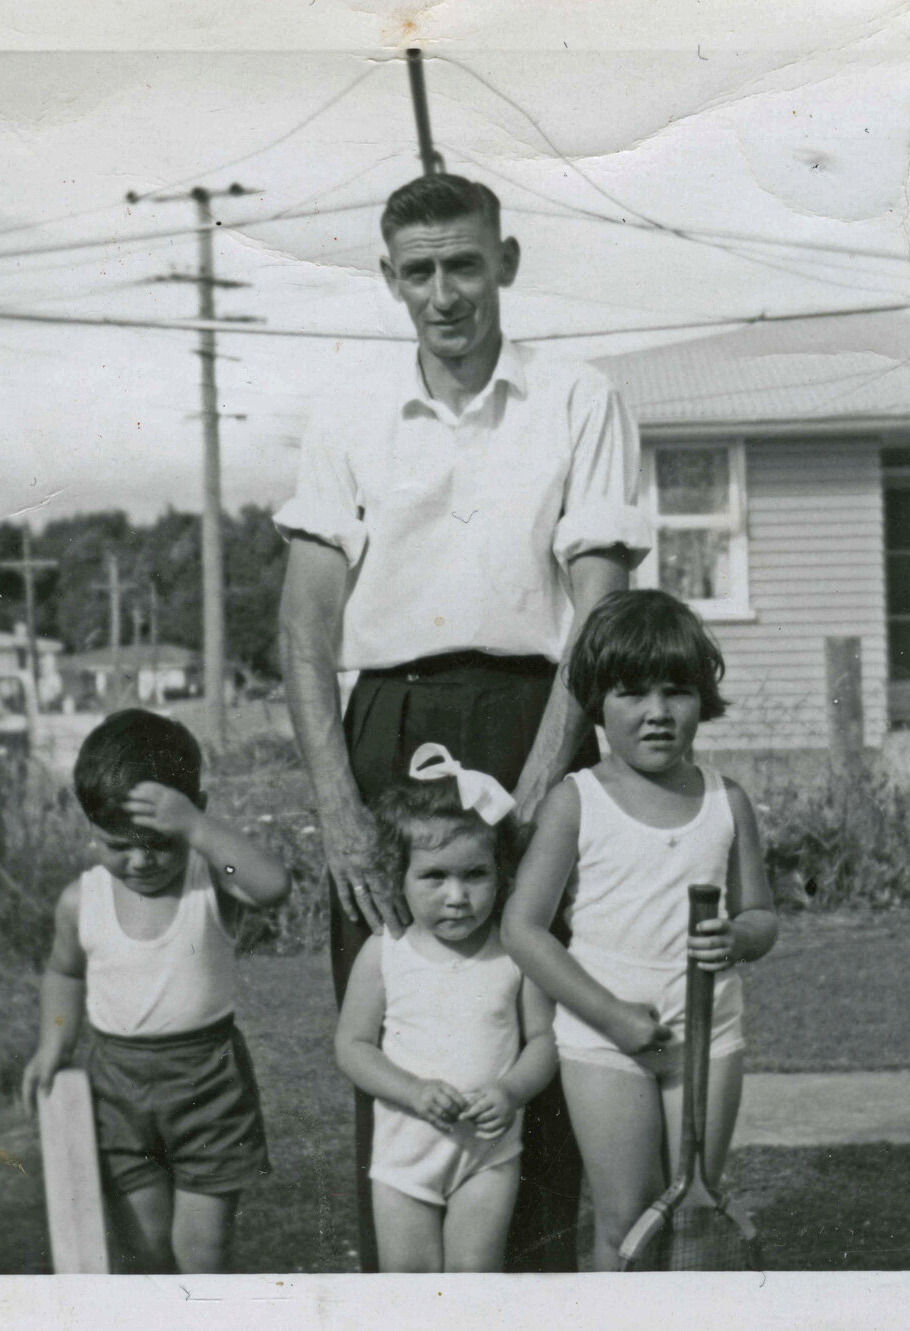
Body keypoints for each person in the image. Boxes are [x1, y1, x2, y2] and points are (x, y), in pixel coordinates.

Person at [274, 171, 649, 1272]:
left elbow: (601, 614)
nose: (445, 293)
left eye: (465, 265)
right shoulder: (346, 411)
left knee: (537, 1020)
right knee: (400, 1018)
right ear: (390, 279)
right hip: (385, 723)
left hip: (540, 709)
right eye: (420, 270)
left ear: (507, 264)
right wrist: (338, 810)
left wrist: (537, 792)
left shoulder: (579, 398)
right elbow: (305, 629)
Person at [502, 590, 779, 1271]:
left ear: (701, 700)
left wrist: (737, 938)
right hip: (604, 1042)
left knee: (693, 1214)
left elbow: (761, 916)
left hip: (706, 1038)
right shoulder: (575, 801)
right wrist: (611, 1016)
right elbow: (523, 929)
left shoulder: (726, 798)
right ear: (597, 701)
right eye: (631, 692)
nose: (656, 712)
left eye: (676, 691)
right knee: (625, 1220)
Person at [19, 708, 290, 1273]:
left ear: (193, 816)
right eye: (118, 845)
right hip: (117, 1087)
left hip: (208, 1087)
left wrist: (197, 831)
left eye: (159, 842)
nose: (140, 861)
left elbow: (272, 887)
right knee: (145, 1248)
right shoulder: (82, 900)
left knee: (202, 1252)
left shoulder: (208, 881)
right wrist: (54, 1045)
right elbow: (64, 974)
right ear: (91, 830)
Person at [333, 744, 559, 1272]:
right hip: (405, 1160)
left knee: (473, 1284)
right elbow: (352, 1045)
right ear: (398, 879)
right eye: (434, 877)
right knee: (410, 1291)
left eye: (474, 875)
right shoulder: (385, 952)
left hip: (487, 1156)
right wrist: (412, 1090)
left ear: (501, 874)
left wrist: (510, 1090)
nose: (456, 895)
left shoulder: (515, 953)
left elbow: (544, 1042)